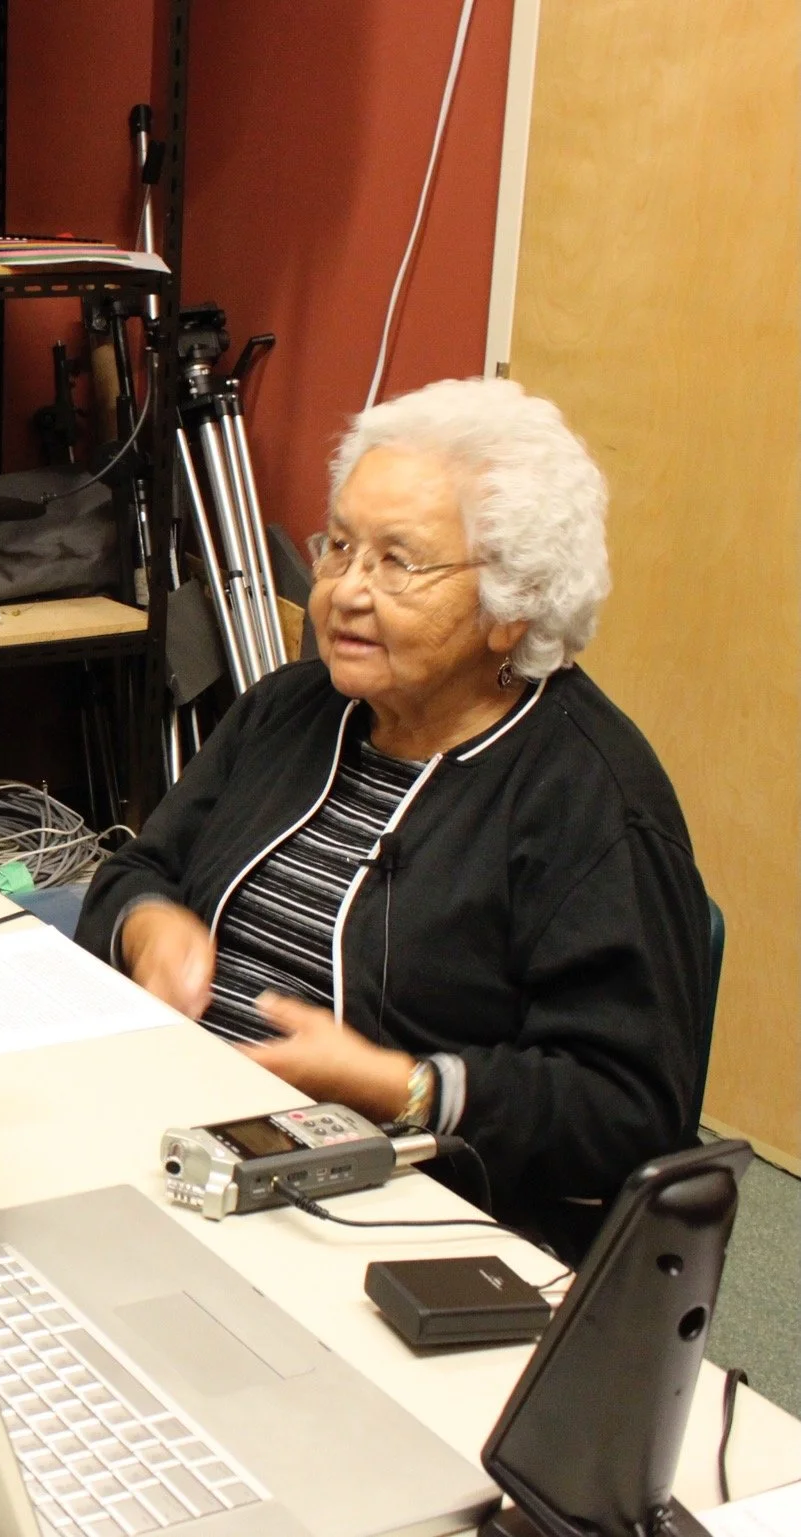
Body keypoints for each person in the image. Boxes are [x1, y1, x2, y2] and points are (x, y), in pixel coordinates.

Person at [77, 377, 709, 1259]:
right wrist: (150, 927)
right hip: (181, 1129)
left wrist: (401, 1085)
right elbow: (136, 871)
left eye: (397, 562)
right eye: (339, 547)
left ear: (512, 605)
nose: (343, 591)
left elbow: (628, 1110)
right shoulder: (289, 709)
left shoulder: (590, 801)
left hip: (394, 1215)